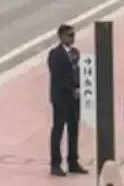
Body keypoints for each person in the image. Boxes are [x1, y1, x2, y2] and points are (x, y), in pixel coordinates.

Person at [47, 23, 87, 176]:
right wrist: (72, 90)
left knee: (73, 130)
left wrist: (80, 88)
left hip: (74, 99)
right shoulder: (55, 54)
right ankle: (55, 164)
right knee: (58, 130)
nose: (73, 38)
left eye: (74, 35)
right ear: (62, 36)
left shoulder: (75, 53)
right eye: (70, 35)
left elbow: (79, 71)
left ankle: (73, 161)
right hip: (61, 98)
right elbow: (58, 77)